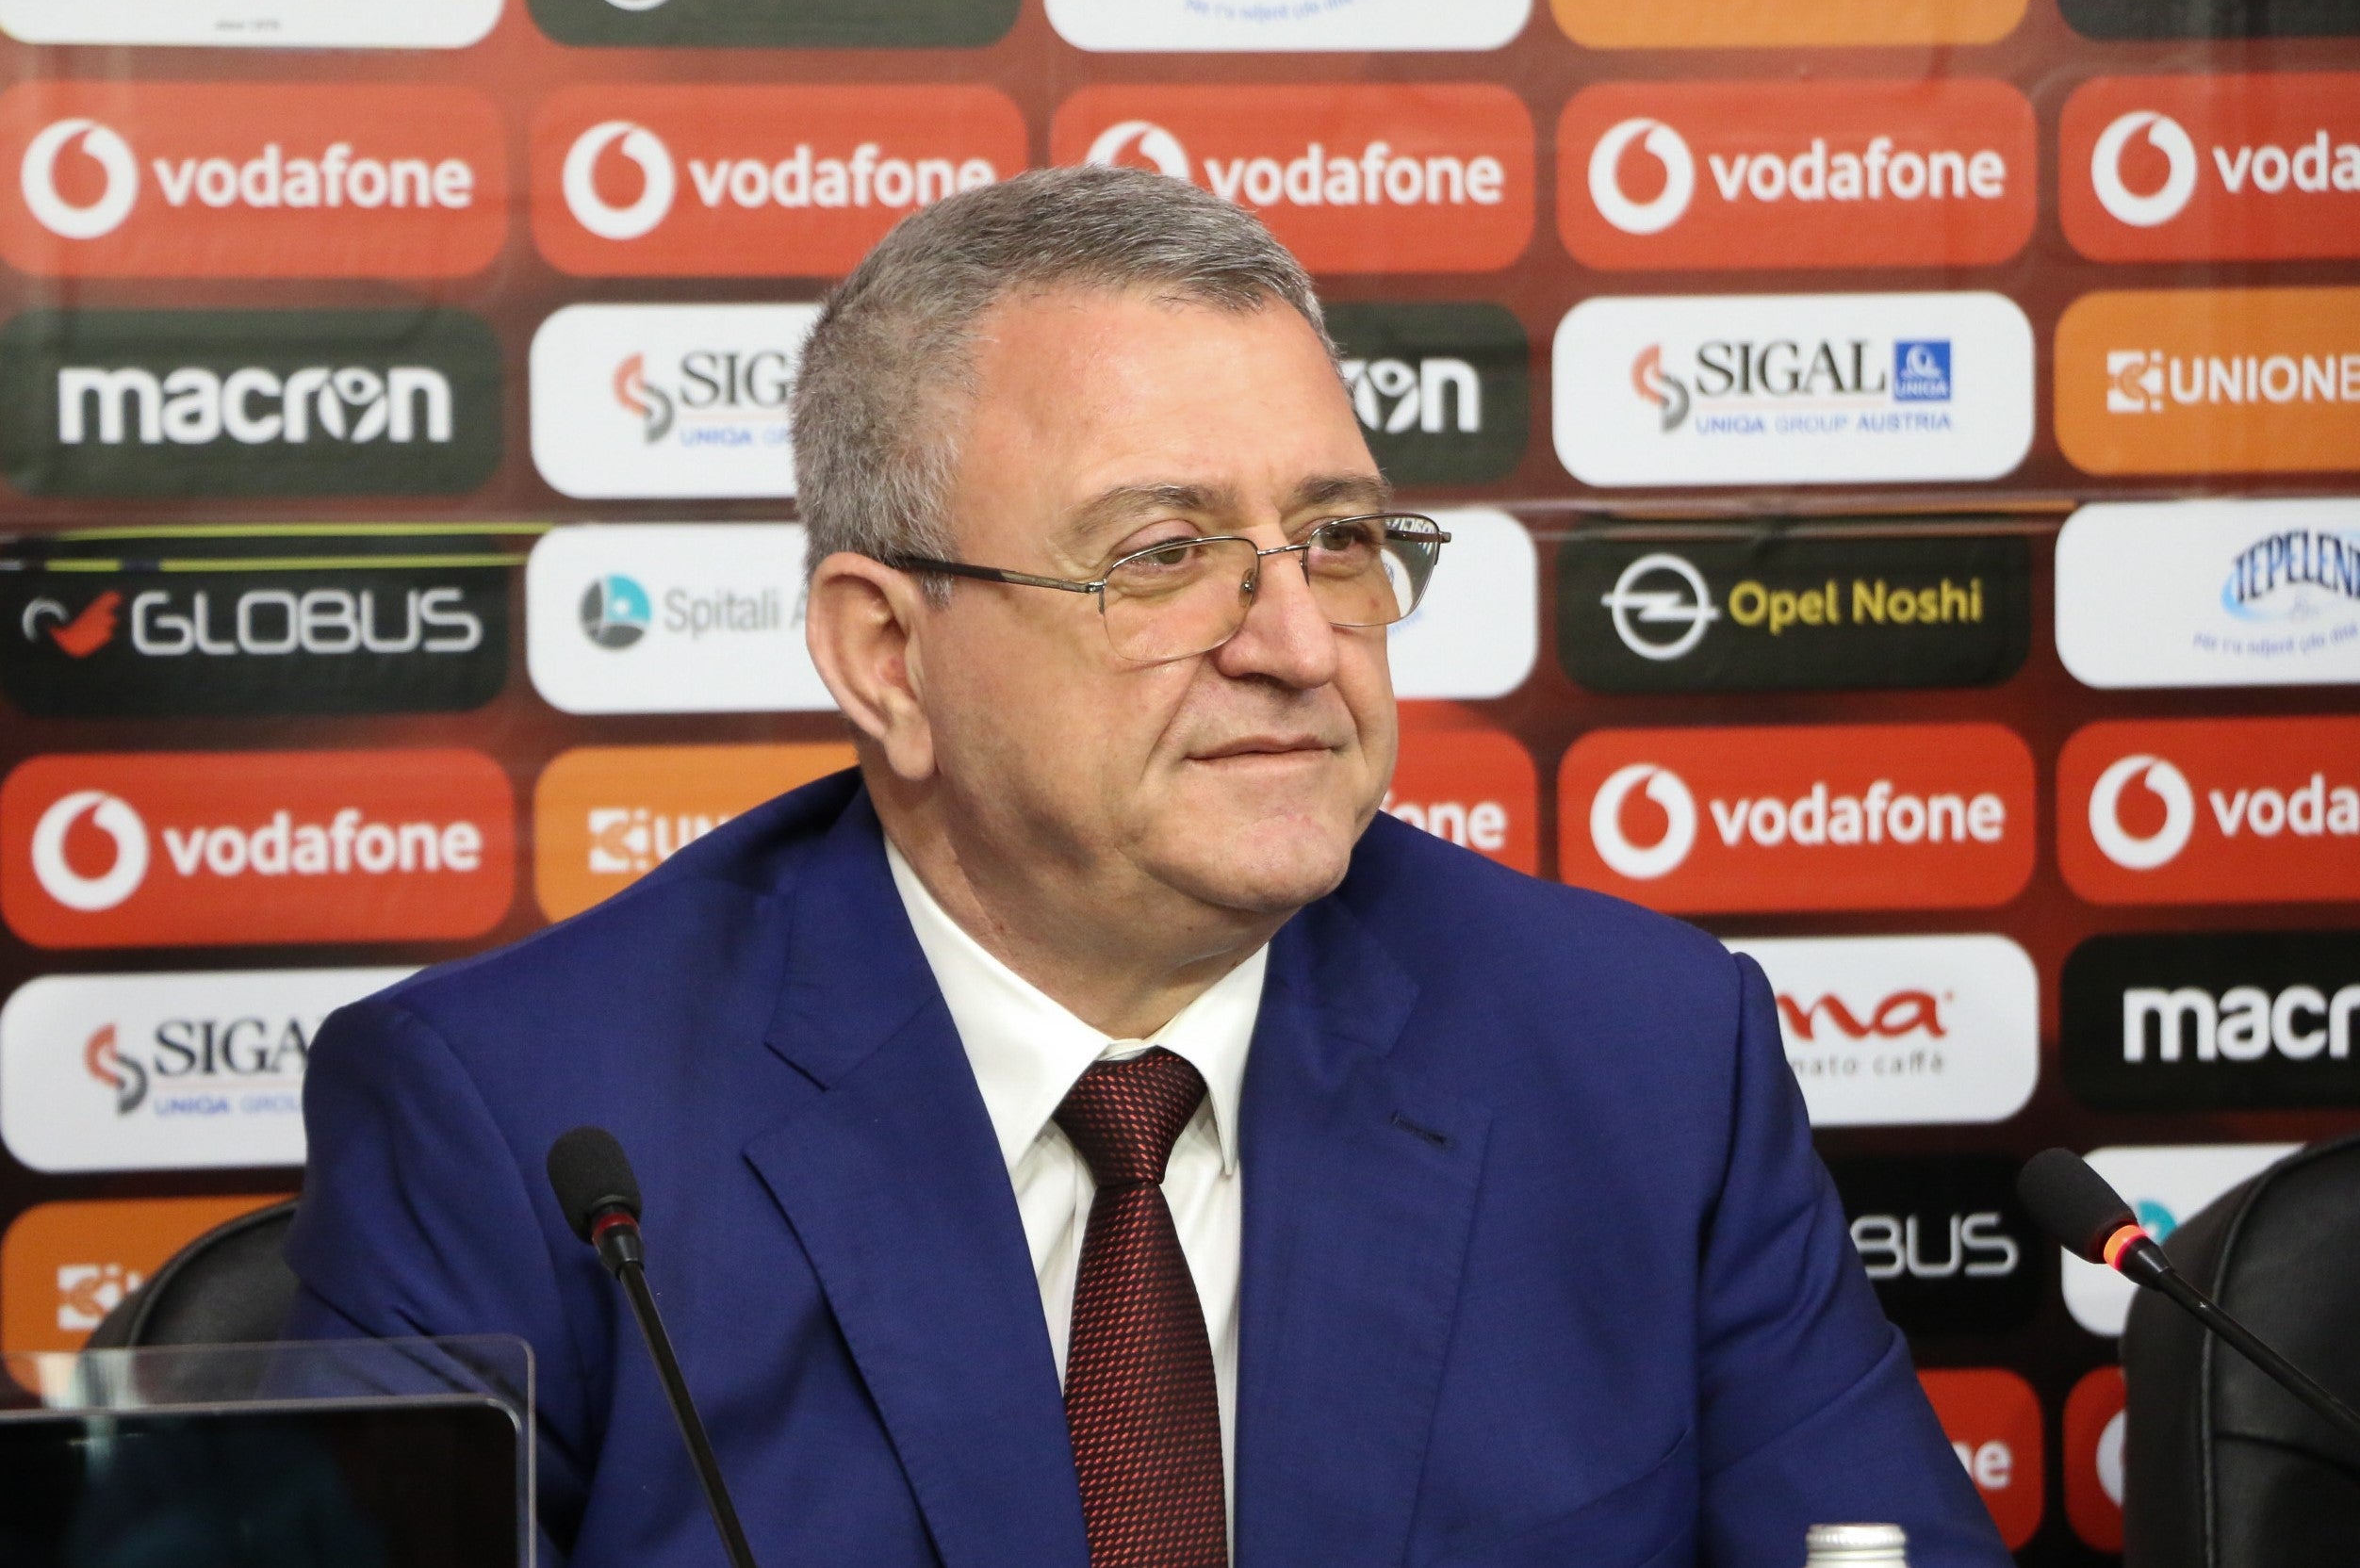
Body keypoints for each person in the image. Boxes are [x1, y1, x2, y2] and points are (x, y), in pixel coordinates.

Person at [283, 167, 2009, 1568]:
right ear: (888, 656)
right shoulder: (523, 1123)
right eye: (1166, 554)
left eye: (1337, 540)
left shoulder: (1643, 1059)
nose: (1298, 644)